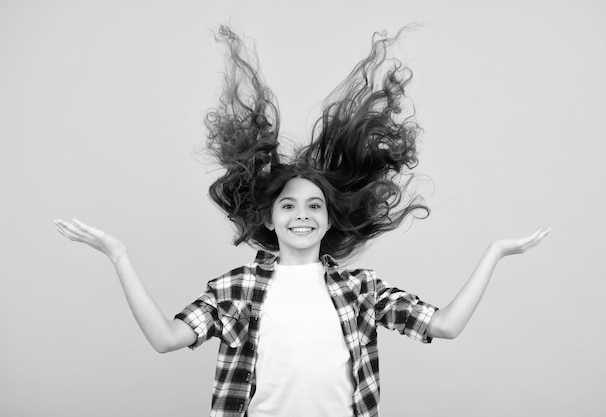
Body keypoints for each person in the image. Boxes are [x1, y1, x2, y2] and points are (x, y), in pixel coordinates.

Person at [54, 26, 550, 417]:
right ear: (268, 219)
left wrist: (495, 254)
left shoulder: (360, 289)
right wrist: (118, 256)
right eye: (288, 206)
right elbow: (166, 339)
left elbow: (444, 326)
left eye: (315, 206)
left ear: (330, 217)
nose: (302, 216)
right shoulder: (237, 288)